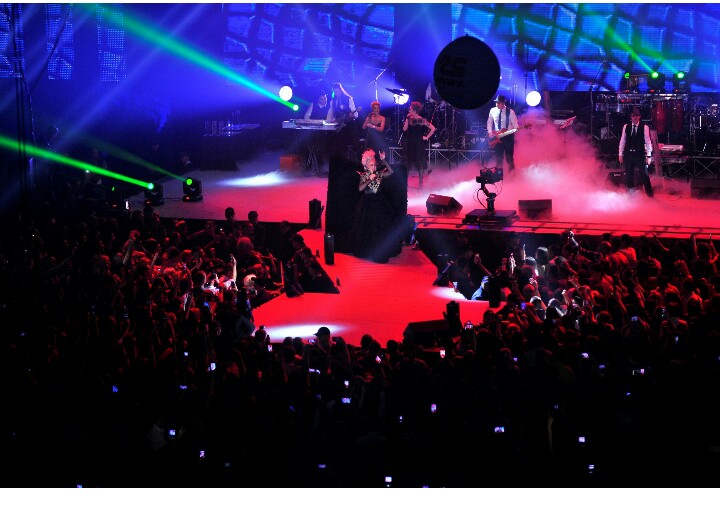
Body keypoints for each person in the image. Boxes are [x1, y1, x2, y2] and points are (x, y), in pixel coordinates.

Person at [353, 148, 396, 263]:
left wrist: (384, 160)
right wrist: (368, 180)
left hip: (380, 202)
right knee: (368, 228)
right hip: (367, 203)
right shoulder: (364, 175)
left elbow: (391, 172)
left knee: (381, 228)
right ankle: (368, 251)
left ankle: (380, 251)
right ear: (366, 166)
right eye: (371, 165)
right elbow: (360, 189)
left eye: (375, 165)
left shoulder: (379, 174)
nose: (374, 167)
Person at [618, 106, 654, 197]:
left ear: (639, 117)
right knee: (629, 175)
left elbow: (648, 141)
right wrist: (620, 154)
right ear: (631, 116)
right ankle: (632, 194)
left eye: (637, 116)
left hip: (639, 154)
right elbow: (623, 140)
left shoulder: (644, 127)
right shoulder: (626, 126)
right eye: (633, 116)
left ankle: (650, 194)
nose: (635, 117)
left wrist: (649, 156)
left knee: (644, 175)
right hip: (628, 154)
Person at [403, 101, 436, 189]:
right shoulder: (410, 118)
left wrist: (426, 137)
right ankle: (408, 182)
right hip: (411, 142)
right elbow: (405, 129)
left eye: (410, 108)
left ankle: (420, 182)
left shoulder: (421, 119)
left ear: (414, 110)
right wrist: (407, 118)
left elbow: (433, 128)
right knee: (409, 162)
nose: (409, 109)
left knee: (419, 162)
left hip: (417, 143)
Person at [487, 95, 518, 173]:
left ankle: (512, 176)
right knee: (498, 158)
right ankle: (498, 176)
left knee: (509, 158)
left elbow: (516, 126)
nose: (497, 104)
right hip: (498, 137)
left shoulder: (510, 112)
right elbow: (489, 122)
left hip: (508, 137)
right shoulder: (492, 110)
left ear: (503, 103)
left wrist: (511, 131)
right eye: (496, 102)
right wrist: (490, 132)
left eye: (499, 103)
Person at [303, 89, 332, 174]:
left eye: (325, 98)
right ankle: (308, 166)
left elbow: (329, 119)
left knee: (320, 148)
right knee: (309, 147)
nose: (325, 100)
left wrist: (324, 122)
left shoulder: (329, 106)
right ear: (318, 99)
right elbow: (306, 117)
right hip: (312, 130)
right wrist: (312, 122)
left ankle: (320, 167)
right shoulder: (313, 105)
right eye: (322, 99)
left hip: (323, 131)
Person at [328, 82, 360, 158]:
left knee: (346, 142)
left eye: (337, 91)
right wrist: (330, 120)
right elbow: (331, 113)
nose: (336, 94)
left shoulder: (348, 99)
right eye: (335, 92)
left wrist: (353, 116)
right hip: (338, 125)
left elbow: (355, 114)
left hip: (349, 125)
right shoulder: (333, 101)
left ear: (341, 90)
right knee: (336, 142)